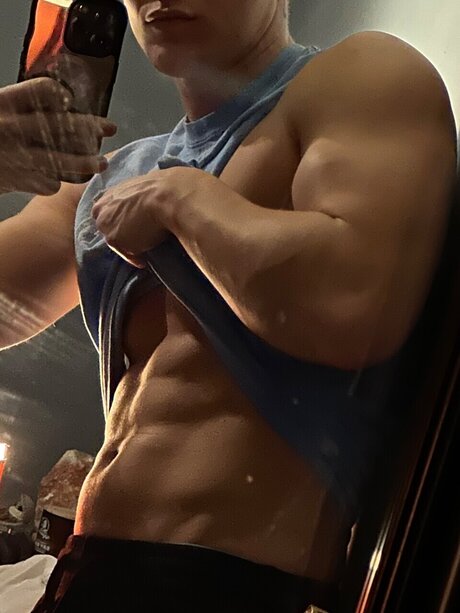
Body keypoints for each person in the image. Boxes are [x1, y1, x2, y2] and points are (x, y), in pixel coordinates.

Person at [0, 1, 457, 611]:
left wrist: (180, 202)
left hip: (235, 585)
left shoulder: (364, 77)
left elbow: (351, 307)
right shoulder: (113, 176)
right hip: (86, 571)